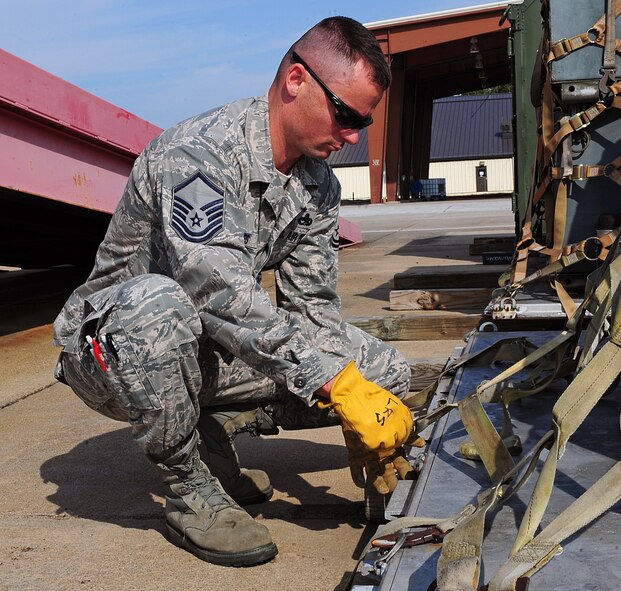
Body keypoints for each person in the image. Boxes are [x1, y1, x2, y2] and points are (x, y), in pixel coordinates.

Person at [52, 17, 417, 567]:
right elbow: (214, 290)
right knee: (161, 305)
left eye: (362, 123)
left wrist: (355, 401)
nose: (352, 137)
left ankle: (212, 430)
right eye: (346, 116)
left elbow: (313, 312)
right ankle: (187, 486)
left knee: (383, 371)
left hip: (199, 350)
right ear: (297, 79)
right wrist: (333, 384)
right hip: (117, 353)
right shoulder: (199, 153)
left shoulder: (319, 185)